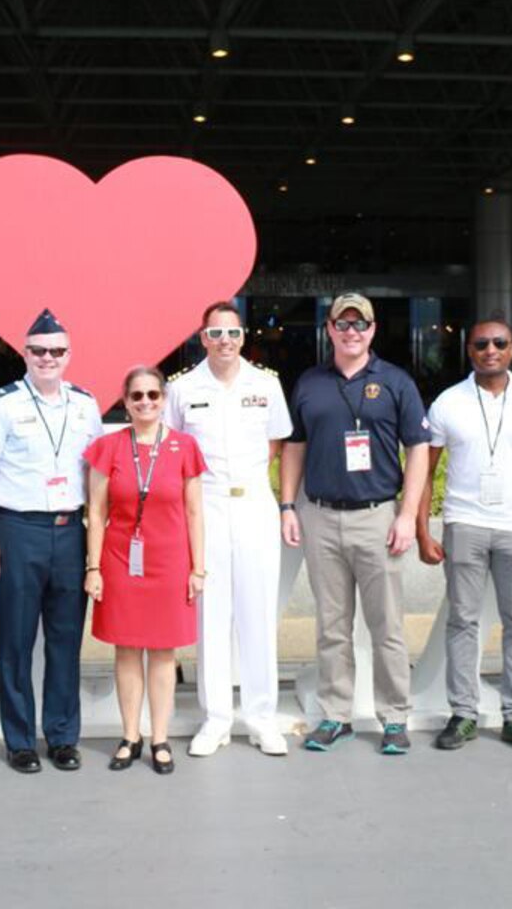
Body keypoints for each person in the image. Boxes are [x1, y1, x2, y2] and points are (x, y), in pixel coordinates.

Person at [279, 293, 431, 756]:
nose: (351, 332)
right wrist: (288, 505)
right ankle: (336, 714)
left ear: (372, 329)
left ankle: (394, 717)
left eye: (358, 324)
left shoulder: (396, 382)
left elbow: (419, 450)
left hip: (377, 518)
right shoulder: (309, 383)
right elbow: (294, 448)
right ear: (329, 330)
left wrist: (407, 515)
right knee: (331, 626)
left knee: (386, 626)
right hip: (321, 516)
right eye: (341, 324)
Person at [0, 309, 104, 774]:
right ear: (24, 354)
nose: (48, 358)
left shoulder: (86, 405)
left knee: (65, 642)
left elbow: (95, 475)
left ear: (69, 355)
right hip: (18, 530)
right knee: (17, 641)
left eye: (57, 351)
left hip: (70, 532)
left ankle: (63, 737)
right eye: (39, 351)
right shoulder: (0, 404)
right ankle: (20, 740)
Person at [418, 315, 512, 752]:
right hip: (464, 523)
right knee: (462, 620)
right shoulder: (447, 402)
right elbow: (424, 470)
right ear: (470, 350)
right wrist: (425, 530)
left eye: (499, 342)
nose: (490, 351)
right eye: (481, 344)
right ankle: (463, 713)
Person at [163, 302, 293, 758]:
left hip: (254, 503)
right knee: (211, 615)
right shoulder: (181, 389)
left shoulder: (266, 384)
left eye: (232, 333)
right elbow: (173, 449)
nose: (224, 342)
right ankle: (215, 718)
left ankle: (261, 717)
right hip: (206, 507)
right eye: (215, 333)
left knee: (258, 613)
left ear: (243, 336)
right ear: (202, 338)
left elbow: (277, 444)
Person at [85, 366, 208, 774]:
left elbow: (194, 511)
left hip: (169, 562)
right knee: (125, 649)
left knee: (162, 651)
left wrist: (199, 568)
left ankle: (159, 737)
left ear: (163, 399)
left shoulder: (185, 446)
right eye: (137, 396)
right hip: (121, 561)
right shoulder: (108, 447)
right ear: (125, 400)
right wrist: (94, 567)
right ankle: (129, 735)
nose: (145, 403)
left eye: (153, 395)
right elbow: (97, 510)